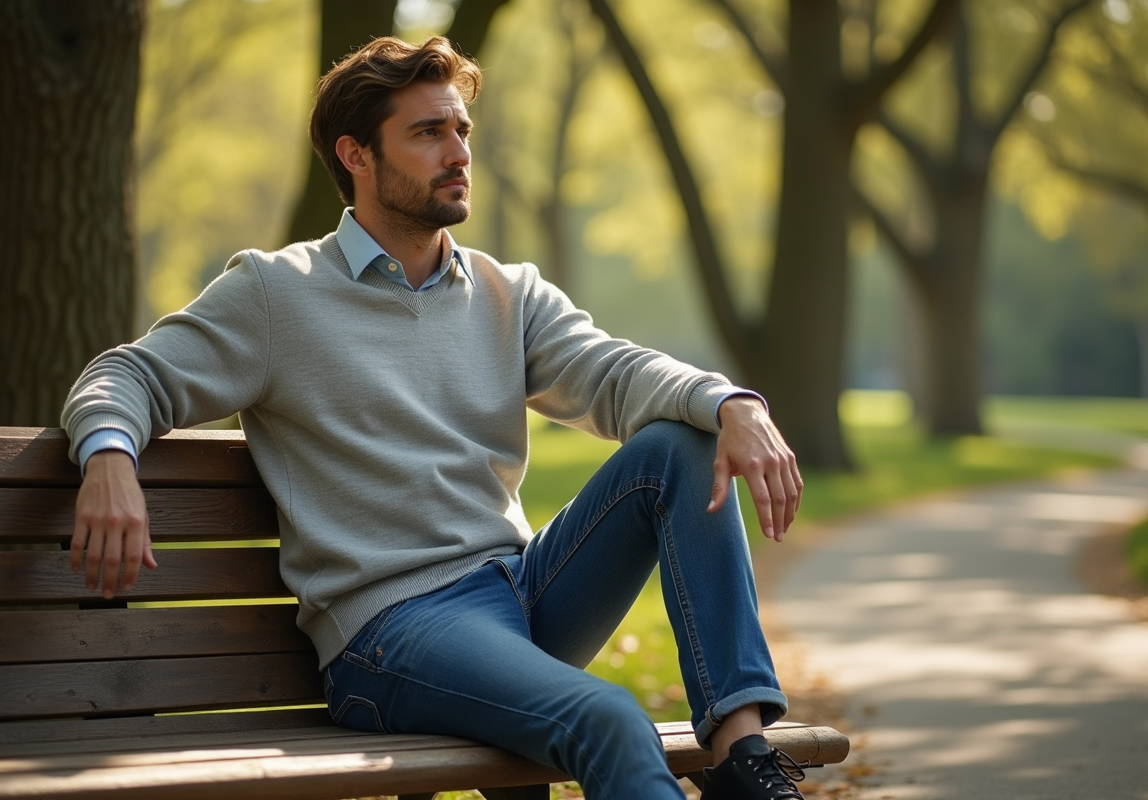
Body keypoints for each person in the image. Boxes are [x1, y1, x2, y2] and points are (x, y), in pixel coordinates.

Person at [62, 36, 807, 800]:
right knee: (611, 717)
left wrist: (732, 403)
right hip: (392, 631)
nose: (458, 152)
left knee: (681, 442)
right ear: (356, 156)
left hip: (520, 591)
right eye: (427, 133)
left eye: (461, 131)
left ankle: (743, 756)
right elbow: (127, 373)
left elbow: (616, 373)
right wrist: (111, 456)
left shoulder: (505, 292)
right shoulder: (274, 293)